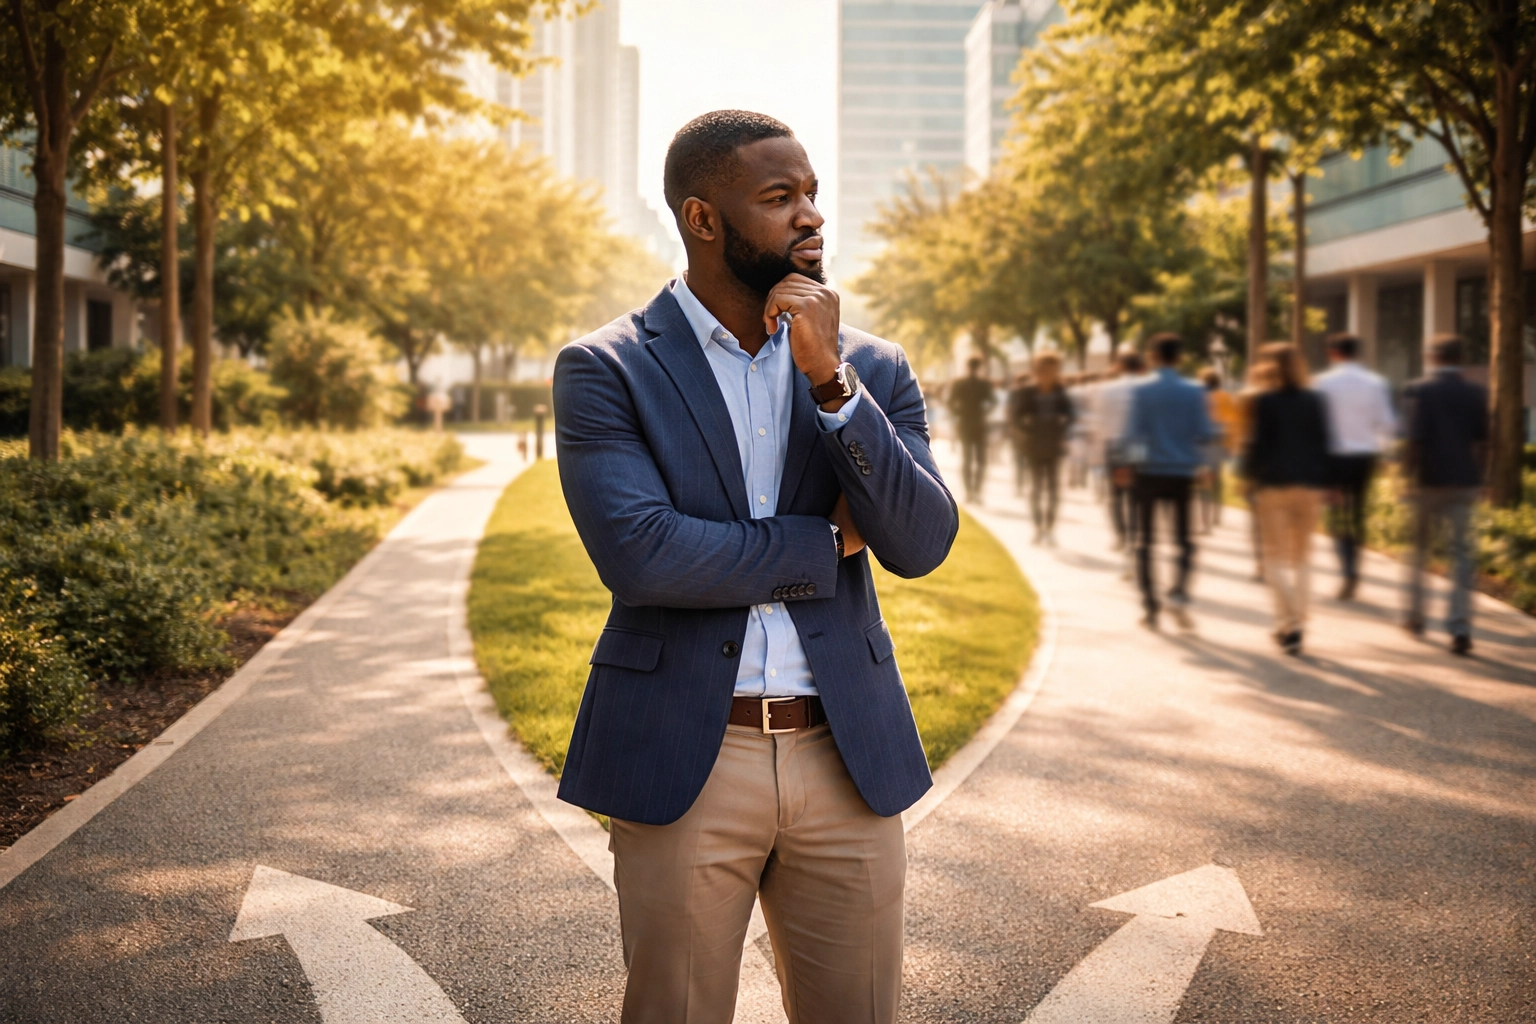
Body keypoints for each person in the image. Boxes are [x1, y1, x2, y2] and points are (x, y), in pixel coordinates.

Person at [551, 110, 958, 1023]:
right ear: (704, 219)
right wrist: (821, 545)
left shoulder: (874, 369)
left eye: (812, 194)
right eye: (779, 199)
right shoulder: (608, 368)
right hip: (688, 755)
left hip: (846, 755)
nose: (810, 217)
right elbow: (645, 555)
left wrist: (830, 384)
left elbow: (921, 542)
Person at [1119, 333, 1214, 629]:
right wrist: (1205, 465)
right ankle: (1179, 593)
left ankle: (1151, 607)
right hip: (1182, 473)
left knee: (1144, 541)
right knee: (1184, 540)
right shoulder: (1195, 391)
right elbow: (1204, 433)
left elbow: (1134, 432)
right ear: (1179, 357)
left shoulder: (1141, 391)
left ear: (1153, 356)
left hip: (1148, 472)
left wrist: (1126, 464)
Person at [1241, 343, 1331, 656]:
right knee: (1302, 557)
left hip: (1273, 486)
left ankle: (1290, 622)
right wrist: (1325, 481)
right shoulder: (1315, 400)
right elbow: (1324, 443)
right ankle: (1294, 624)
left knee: (1275, 558)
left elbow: (1255, 445)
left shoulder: (1263, 401)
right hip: (1308, 486)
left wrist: (1248, 478)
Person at [1403, 334, 1488, 656]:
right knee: (1462, 555)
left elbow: (1415, 439)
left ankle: (1415, 616)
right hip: (1464, 482)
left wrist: (1407, 478)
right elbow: (1484, 441)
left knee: (1419, 551)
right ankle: (1460, 626)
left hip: (1429, 482)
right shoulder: (1475, 392)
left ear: (1435, 357)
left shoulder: (1421, 390)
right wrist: (1482, 478)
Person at [1313, 332, 1397, 600]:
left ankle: (1347, 570)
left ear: (1333, 353)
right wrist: (1385, 453)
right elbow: (1387, 423)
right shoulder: (1375, 383)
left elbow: (1316, 426)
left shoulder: (1323, 384)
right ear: (1357, 353)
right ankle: (1354, 570)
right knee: (1358, 514)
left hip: (1334, 458)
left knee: (1335, 516)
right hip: (1364, 456)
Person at [1010, 350, 1075, 544]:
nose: (1048, 374)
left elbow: (1070, 416)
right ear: (1038, 371)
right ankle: (1039, 527)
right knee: (1037, 487)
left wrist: (1060, 426)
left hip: (1054, 445)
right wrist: (1030, 427)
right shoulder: (1027, 392)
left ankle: (1050, 526)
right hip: (1034, 445)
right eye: (1045, 369)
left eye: (1053, 370)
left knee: (1054, 488)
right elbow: (1016, 417)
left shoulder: (1061, 392)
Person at [1095, 350, 1148, 560]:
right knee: (1137, 494)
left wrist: (1102, 447)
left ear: (1120, 366)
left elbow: (1101, 422)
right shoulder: (1147, 389)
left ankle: (1121, 535)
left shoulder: (1108, 389)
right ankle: (1135, 534)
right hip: (1138, 447)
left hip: (1115, 445)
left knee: (1116, 495)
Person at [1235, 360, 1279, 581]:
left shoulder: (1251, 400)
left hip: (1255, 466)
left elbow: (1245, 438)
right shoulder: (1285, 400)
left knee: (1257, 520)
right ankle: (1272, 562)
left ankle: (1262, 563)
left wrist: (1242, 476)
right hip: (1279, 468)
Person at [949, 356, 996, 502]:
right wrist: (984, 412)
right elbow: (993, 402)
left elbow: (950, 402)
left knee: (967, 458)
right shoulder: (984, 384)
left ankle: (970, 491)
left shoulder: (959, 383)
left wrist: (959, 413)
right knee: (980, 459)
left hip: (965, 422)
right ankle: (976, 490)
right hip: (979, 423)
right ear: (979, 368)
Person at [1198, 367, 1237, 532]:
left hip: (1202, 443)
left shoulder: (1199, 397)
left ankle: (1205, 521)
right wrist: (1230, 445)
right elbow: (1231, 422)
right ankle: (1217, 515)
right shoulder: (1226, 397)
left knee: (1204, 480)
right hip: (1220, 441)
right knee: (1218, 479)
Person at [1005, 371, 1032, 497]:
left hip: (1018, 431)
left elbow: (1008, 411)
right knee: (1024, 460)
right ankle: (1022, 485)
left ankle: (1020, 486)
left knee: (1020, 460)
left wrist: (1011, 427)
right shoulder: (1028, 393)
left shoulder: (1013, 393)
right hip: (1026, 431)